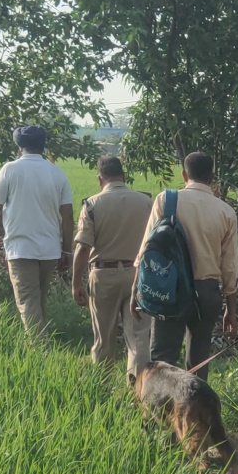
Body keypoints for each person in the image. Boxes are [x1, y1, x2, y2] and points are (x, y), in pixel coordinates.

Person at [147, 151, 238, 379]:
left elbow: (147, 250)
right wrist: (231, 309)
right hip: (206, 292)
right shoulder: (225, 211)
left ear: (184, 174)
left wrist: (136, 292)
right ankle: (195, 411)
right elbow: (229, 266)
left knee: (162, 359)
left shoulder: (165, 200)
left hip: (169, 289)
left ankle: (158, 412)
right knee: (199, 359)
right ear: (212, 178)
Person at [0, 125, 74, 340]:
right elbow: (68, 216)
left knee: (26, 300)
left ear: (19, 146)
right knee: (38, 300)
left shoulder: (10, 169)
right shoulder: (57, 172)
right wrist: (67, 251)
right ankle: (43, 346)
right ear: (42, 145)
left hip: (20, 248)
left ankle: (40, 350)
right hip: (50, 249)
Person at [72, 156, 153, 376]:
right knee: (138, 339)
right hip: (138, 275)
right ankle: (139, 393)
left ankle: (102, 385)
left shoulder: (92, 205)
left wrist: (76, 283)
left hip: (103, 275)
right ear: (124, 176)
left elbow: (82, 248)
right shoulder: (146, 202)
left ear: (100, 179)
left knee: (103, 338)